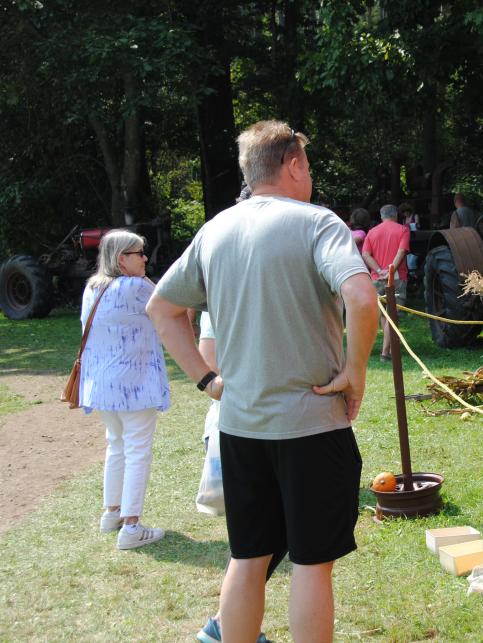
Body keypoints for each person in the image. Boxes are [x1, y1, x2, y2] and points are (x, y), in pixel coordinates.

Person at [147, 119, 378, 643]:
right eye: (309, 165)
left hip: (240, 428)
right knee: (312, 565)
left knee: (248, 558)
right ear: (293, 164)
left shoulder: (215, 230)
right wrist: (354, 372)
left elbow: (161, 308)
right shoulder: (318, 223)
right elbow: (363, 299)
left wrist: (207, 380)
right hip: (312, 428)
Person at [195, 311, 284, 643]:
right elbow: (207, 356)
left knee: (265, 540)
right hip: (243, 429)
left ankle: (227, 625)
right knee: (256, 544)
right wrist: (217, 386)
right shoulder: (222, 290)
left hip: (255, 426)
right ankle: (225, 626)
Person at [80, 229, 170, 550]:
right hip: (135, 387)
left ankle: (111, 513)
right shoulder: (137, 287)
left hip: (101, 387)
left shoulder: (93, 288)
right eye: (139, 252)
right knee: (137, 452)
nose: (145, 257)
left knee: (116, 446)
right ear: (122, 259)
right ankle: (131, 527)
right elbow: (170, 305)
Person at [361, 204, 410, 361]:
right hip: (396, 278)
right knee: (392, 315)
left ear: (381, 217)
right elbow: (401, 251)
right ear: (395, 215)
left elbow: (366, 254)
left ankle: (388, 350)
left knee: (383, 315)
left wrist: (379, 270)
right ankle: (385, 353)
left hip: (376, 278)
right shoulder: (403, 230)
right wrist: (390, 270)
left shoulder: (372, 232)